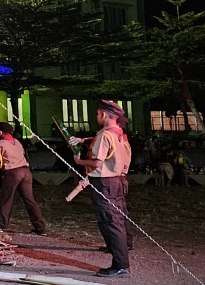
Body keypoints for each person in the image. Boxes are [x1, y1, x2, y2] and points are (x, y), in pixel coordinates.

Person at [70, 100, 133, 278]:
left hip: (105, 183)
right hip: (119, 180)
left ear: (104, 114)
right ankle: (123, 247)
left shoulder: (105, 135)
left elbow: (97, 162)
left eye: (98, 114)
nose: (97, 116)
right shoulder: (119, 134)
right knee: (119, 219)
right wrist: (84, 140)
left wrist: (79, 161)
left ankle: (120, 265)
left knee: (110, 221)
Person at [0, 121, 47, 235]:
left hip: (12, 172)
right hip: (26, 171)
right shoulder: (17, 142)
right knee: (30, 200)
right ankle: (40, 227)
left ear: (0, 132)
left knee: (6, 199)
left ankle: (0, 224)